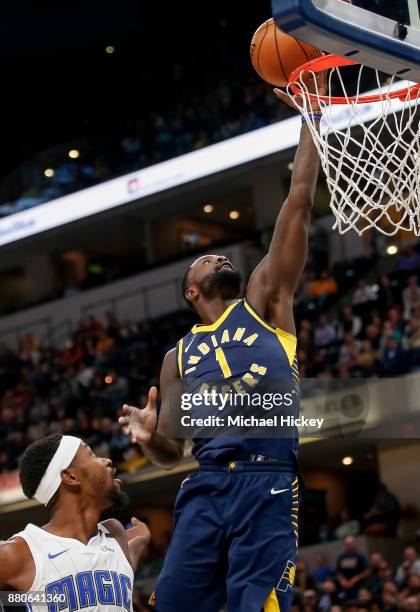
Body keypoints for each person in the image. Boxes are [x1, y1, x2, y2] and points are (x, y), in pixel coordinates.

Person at [119, 74, 327, 611]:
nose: (220, 257)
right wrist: (146, 435)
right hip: (206, 486)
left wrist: (312, 120)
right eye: (207, 259)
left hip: (267, 480)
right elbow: (172, 451)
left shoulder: (264, 299)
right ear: (192, 289)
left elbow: (297, 203)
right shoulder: (177, 357)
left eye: (222, 257)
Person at [0, 434, 150, 611]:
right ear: (70, 476)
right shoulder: (19, 553)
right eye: (92, 455)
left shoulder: (116, 535)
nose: (107, 461)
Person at [336, 536, 369, 601]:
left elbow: (366, 571)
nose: (349, 545)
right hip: (345, 586)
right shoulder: (342, 557)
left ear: (355, 543)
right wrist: (342, 580)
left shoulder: (360, 556)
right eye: (348, 544)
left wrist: (354, 580)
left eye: (351, 543)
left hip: (358, 585)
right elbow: (338, 572)